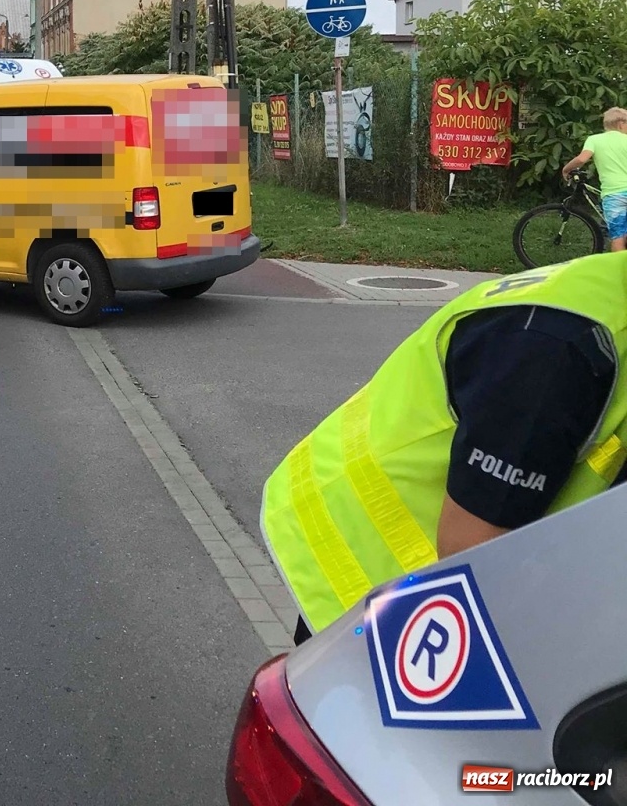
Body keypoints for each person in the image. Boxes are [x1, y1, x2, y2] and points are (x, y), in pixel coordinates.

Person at [263, 251, 627, 644]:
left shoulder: (599, 294)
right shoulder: (559, 354)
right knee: (341, 695)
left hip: (436, 546)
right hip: (365, 560)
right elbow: (469, 552)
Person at [562, 107, 627, 252]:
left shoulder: (594, 140)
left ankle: (621, 273)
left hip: (614, 194)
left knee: (618, 237)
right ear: (621, 124)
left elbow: (582, 159)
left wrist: (566, 169)